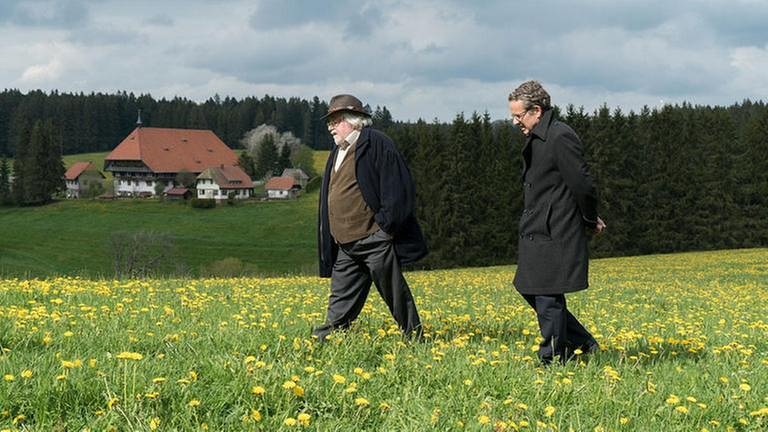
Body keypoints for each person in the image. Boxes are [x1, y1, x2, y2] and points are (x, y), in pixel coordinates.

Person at [313, 94, 427, 342]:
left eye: (336, 120)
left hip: (374, 238)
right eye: (330, 121)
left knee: (394, 293)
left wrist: (384, 229)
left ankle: (415, 339)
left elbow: (398, 190)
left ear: (354, 120)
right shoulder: (337, 151)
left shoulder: (376, 143)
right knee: (340, 296)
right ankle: (326, 340)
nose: (331, 126)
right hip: (345, 243)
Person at [508, 80, 606, 364]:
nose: (515, 122)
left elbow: (582, 183)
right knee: (529, 286)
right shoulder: (540, 136)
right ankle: (582, 342)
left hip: (556, 228)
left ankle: (552, 359)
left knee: (546, 294)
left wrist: (590, 218)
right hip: (537, 226)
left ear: (536, 111)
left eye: (518, 115)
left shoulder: (560, 135)